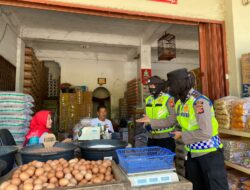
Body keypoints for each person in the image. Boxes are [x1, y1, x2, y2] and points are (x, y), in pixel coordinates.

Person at [167, 68, 229, 190]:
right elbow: (171, 120)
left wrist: (181, 135)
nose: (170, 89)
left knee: (214, 187)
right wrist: (152, 121)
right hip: (192, 153)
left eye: (171, 85)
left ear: (181, 84)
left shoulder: (199, 101)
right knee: (196, 186)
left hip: (209, 154)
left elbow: (206, 132)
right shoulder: (180, 103)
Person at [136, 76, 176, 152]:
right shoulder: (148, 99)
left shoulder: (168, 99)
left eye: (153, 85)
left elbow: (172, 119)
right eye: (149, 86)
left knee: (165, 162)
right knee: (152, 161)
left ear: (159, 86)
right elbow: (146, 117)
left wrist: (152, 122)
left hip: (165, 138)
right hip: (151, 138)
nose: (151, 88)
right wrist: (146, 125)